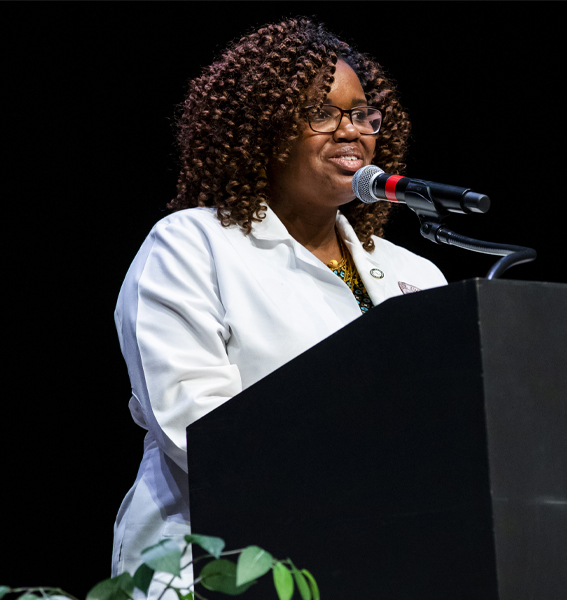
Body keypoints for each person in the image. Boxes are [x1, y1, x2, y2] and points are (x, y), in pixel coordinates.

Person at [111, 17, 446, 592]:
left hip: (379, 556)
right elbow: (196, 425)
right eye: (322, 113)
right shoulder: (192, 245)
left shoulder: (416, 273)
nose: (353, 132)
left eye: (363, 114)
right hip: (217, 563)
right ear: (262, 130)